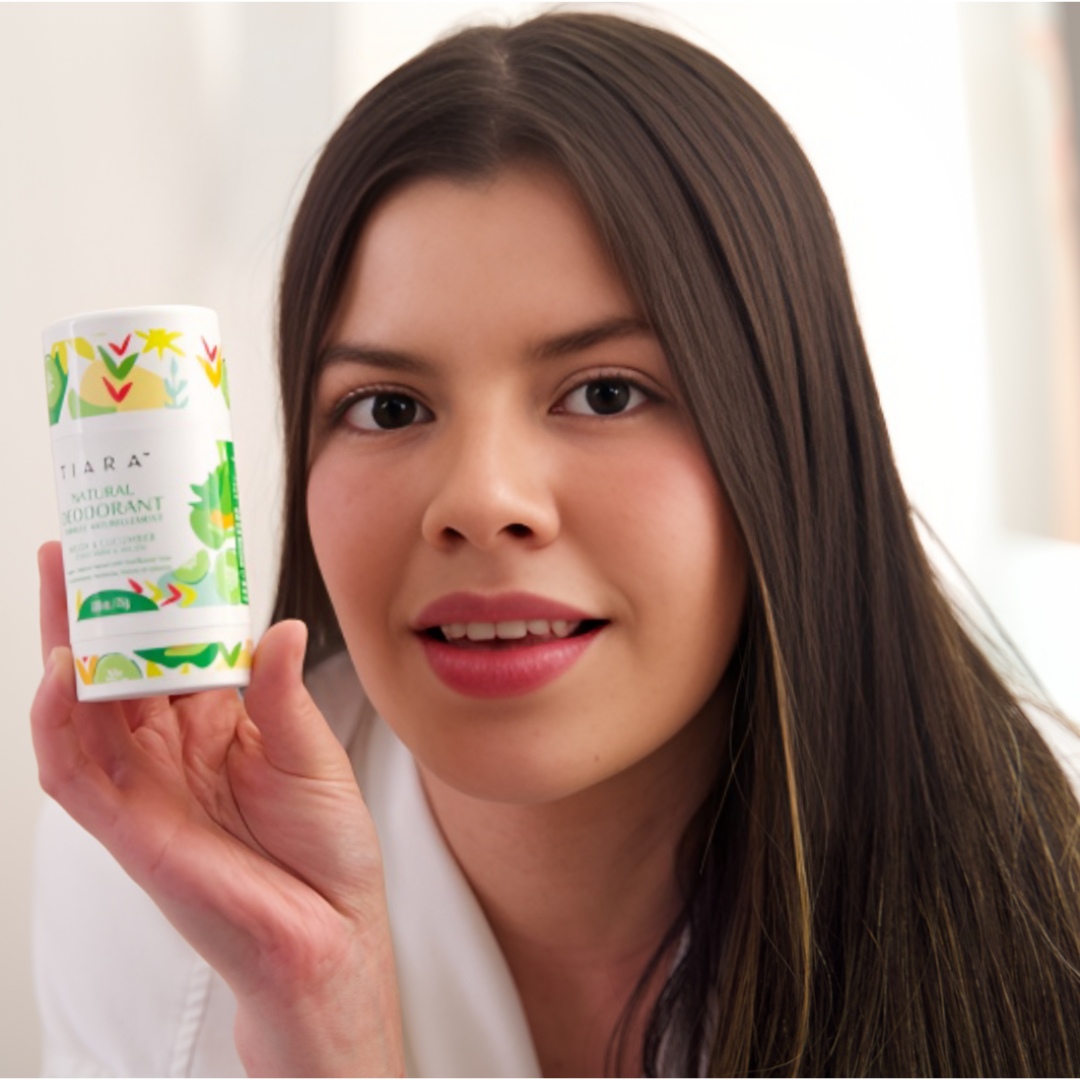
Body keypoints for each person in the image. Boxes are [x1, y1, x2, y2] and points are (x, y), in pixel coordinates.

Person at [31, 11, 1080, 1077]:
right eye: (388, 408)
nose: (482, 502)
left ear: (790, 433)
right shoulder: (155, 887)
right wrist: (317, 1020)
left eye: (606, 392)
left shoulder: (1047, 903)